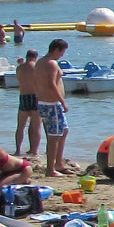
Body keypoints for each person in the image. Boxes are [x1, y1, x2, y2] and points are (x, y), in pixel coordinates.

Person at [36, 40, 74, 176]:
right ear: (56, 50)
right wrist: (63, 102)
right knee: (54, 137)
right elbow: (51, 84)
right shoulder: (51, 63)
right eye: (62, 52)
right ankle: (50, 169)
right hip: (51, 104)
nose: (62, 55)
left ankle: (58, 163)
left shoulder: (40, 62)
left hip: (44, 102)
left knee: (64, 131)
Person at [13, 50, 41, 159]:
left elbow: (20, 78)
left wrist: (21, 64)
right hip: (35, 96)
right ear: (35, 57)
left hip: (23, 96)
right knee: (36, 126)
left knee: (20, 127)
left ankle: (17, 150)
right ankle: (34, 151)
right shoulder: (36, 67)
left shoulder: (19, 68)